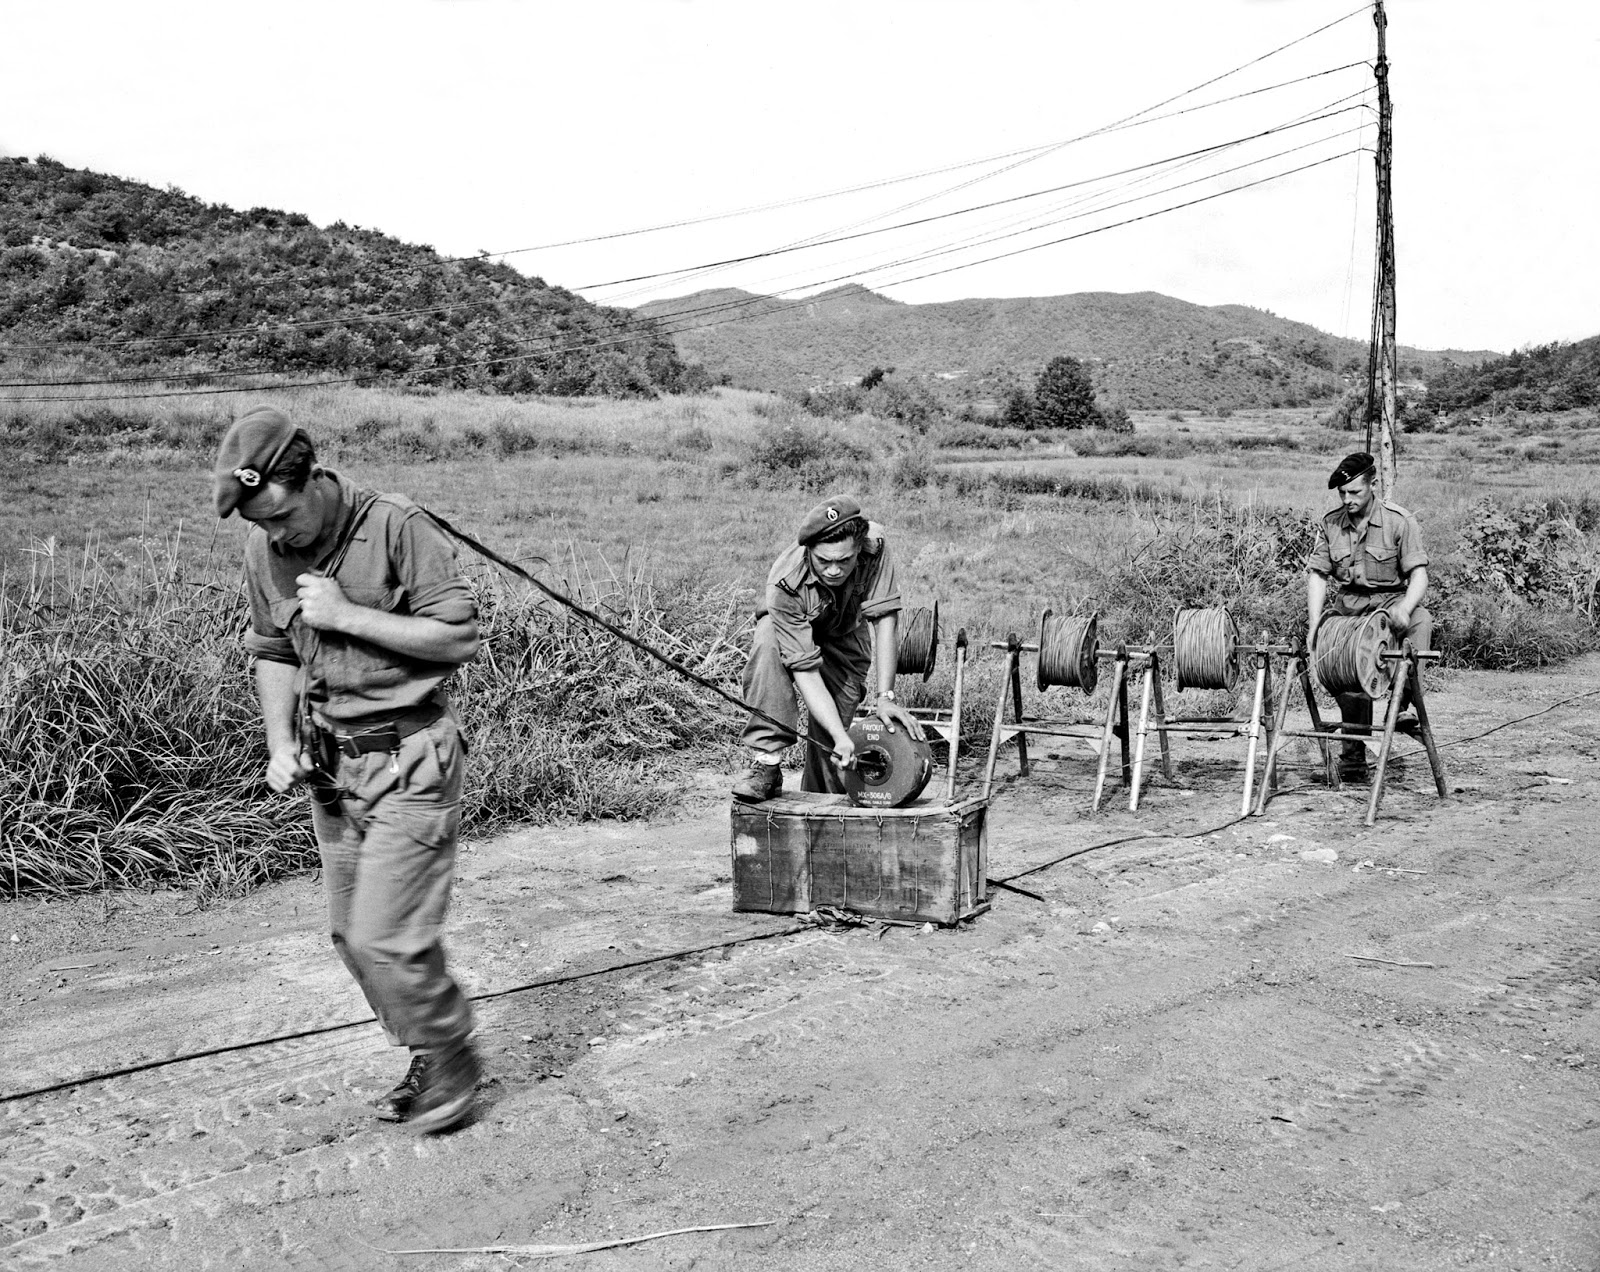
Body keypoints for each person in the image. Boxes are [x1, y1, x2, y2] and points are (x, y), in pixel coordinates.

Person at [213, 405, 482, 1133]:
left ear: (314, 480)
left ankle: (452, 1049)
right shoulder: (265, 546)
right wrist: (279, 743)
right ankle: (426, 1048)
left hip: (410, 758)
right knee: (351, 937)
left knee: (385, 935)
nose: (278, 538)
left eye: (286, 520)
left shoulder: (397, 526)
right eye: (263, 527)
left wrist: (347, 615)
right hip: (333, 770)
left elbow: (457, 634)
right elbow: (271, 650)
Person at [733, 495, 926, 802]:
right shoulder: (784, 585)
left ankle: (822, 809)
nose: (834, 571)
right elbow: (805, 669)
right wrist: (840, 735)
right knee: (767, 638)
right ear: (809, 551)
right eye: (824, 561)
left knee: (834, 742)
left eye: (844, 561)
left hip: (846, 634)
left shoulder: (874, 546)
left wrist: (885, 698)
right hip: (793, 632)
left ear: (858, 547)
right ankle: (767, 765)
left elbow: (884, 617)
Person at [1306, 451, 1431, 781]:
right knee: (1347, 666)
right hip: (1350, 610)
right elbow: (1319, 575)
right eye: (1342, 494)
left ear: (1373, 485)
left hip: (1389, 606)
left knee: (1422, 622)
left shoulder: (1398, 521)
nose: (1347, 500)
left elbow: (1419, 575)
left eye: (1355, 492)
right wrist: (1315, 623)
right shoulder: (1331, 523)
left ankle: (1400, 706)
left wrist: (1404, 609)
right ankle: (1354, 756)